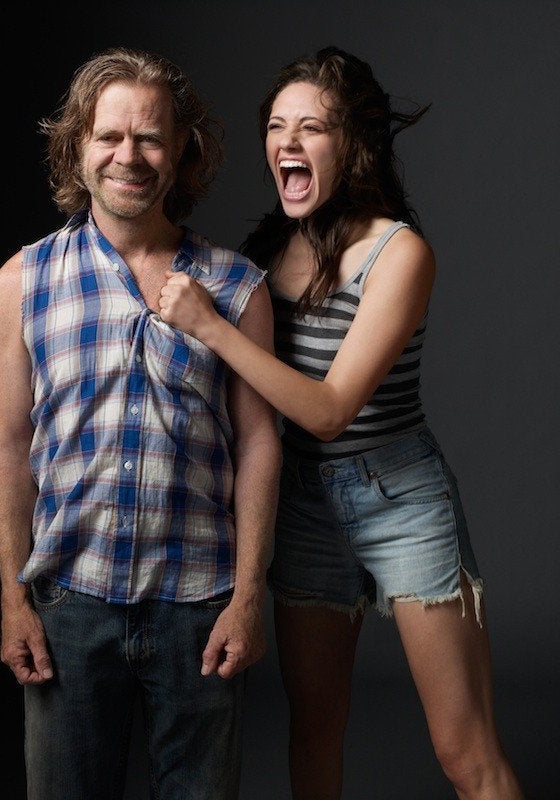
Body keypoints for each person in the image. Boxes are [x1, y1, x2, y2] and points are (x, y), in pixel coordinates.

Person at [158, 46, 525, 799]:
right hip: (301, 508)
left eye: (311, 129)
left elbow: (328, 411)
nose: (286, 144)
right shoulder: (266, 250)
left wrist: (210, 326)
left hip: (401, 501)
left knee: (466, 753)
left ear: (352, 146)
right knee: (314, 731)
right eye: (277, 127)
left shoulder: (399, 253)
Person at [0, 46, 281, 800]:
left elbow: (258, 443)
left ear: (181, 149)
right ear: (76, 145)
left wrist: (248, 597)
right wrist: (13, 598)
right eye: (109, 136)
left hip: (199, 610)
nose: (129, 156)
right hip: (68, 610)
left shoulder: (235, 286)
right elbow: (7, 445)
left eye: (149, 137)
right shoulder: (23, 281)